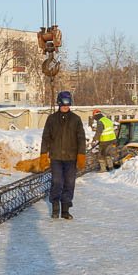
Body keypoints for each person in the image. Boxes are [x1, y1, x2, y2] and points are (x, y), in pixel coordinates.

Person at [39, 90, 86, 219]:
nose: (66, 106)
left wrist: (81, 155)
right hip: (56, 157)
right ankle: (55, 207)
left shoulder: (76, 119)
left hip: (71, 158)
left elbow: (81, 138)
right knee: (57, 181)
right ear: (59, 103)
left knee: (70, 183)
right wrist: (43, 154)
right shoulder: (52, 119)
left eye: (68, 103)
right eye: (63, 103)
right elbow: (46, 137)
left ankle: (65, 210)